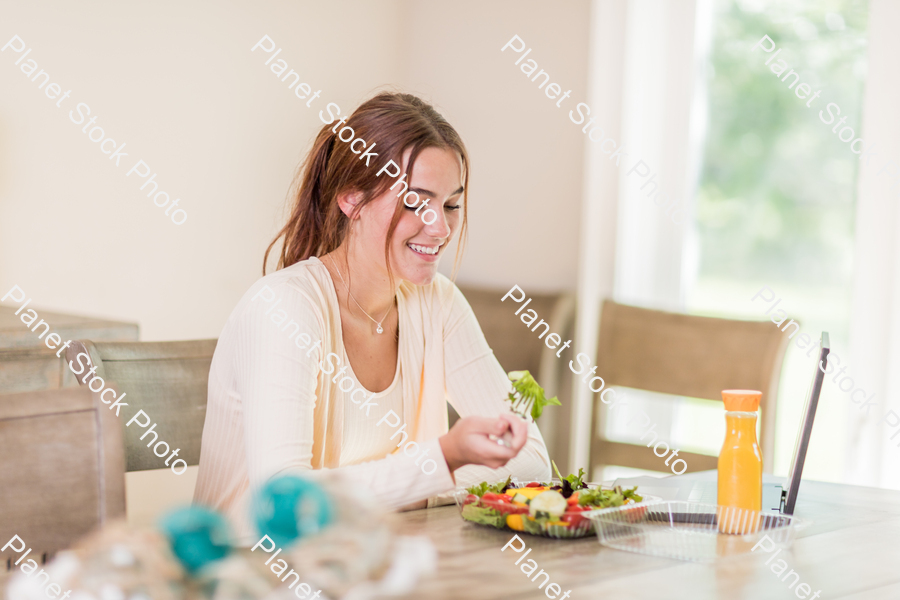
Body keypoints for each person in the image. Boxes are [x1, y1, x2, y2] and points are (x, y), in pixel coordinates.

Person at [193, 92, 551, 540]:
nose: (439, 226)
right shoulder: (283, 309)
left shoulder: (438, 304)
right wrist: (440, 461)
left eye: (452, 204)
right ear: (351, 198)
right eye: (416, 201)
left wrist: (428, 476)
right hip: (254, 577)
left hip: (369, 569)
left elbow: (531, 460)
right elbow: (284, 500)